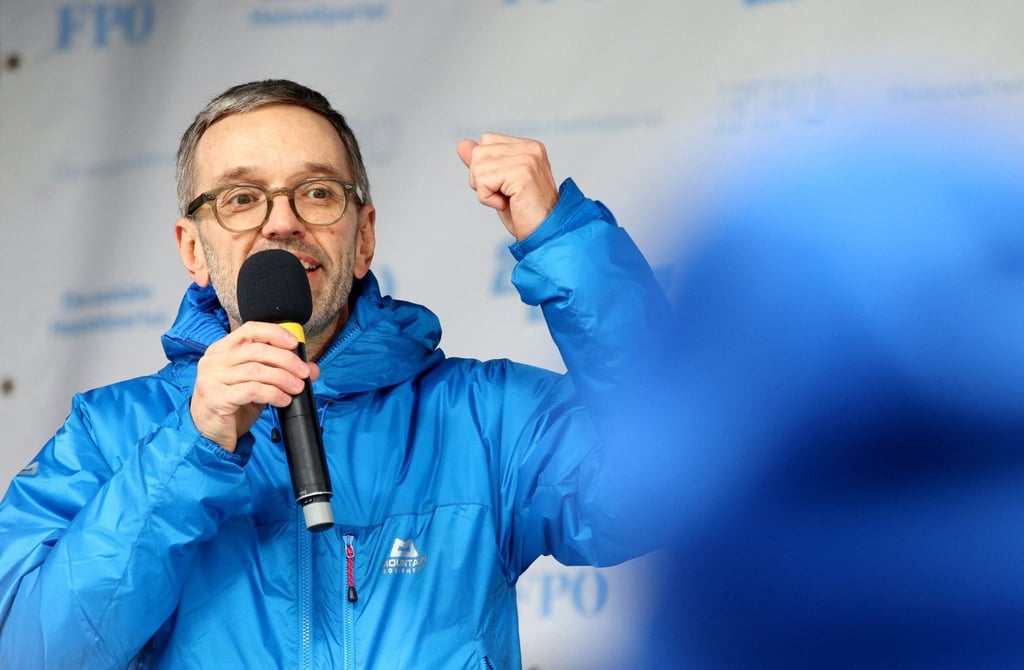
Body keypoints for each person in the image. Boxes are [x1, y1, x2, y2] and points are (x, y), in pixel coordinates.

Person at [0, 79, 671, 668]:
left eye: (316, 192)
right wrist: (193, 447)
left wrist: (563, 240)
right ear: (192, 250)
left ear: (364, 237)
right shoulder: (110, 433)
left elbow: (678, 467)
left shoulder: (483, 419)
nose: (282, 222)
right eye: (240, 199)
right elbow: (29, 653)